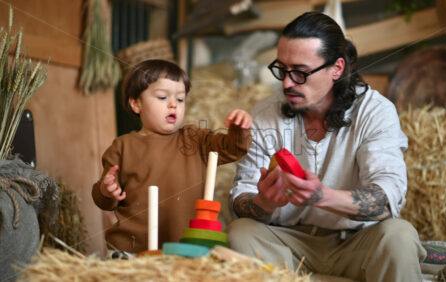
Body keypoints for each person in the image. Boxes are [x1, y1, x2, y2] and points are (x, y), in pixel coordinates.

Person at [227, 11, 426, 281]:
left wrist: (322, 196)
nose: (286, 82)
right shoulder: (264, 115)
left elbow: (386, 200)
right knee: (241, 232)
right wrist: (263, 202)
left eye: (300, 72)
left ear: (337, 69)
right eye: (282, 69)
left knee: (399, 236)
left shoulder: (375, 111)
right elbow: (241, 199)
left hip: (356, 243)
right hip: (289, 245)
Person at [92, 59, 252, 255]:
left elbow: (233, 149)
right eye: (161, 97)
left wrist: (239, 129)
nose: (173, 105)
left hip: (185, 247)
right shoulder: (122, 146)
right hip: (133, 250)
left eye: (180, 99)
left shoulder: (196, 139)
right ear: (136, 103)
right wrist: (107, 191)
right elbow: (104, 200)